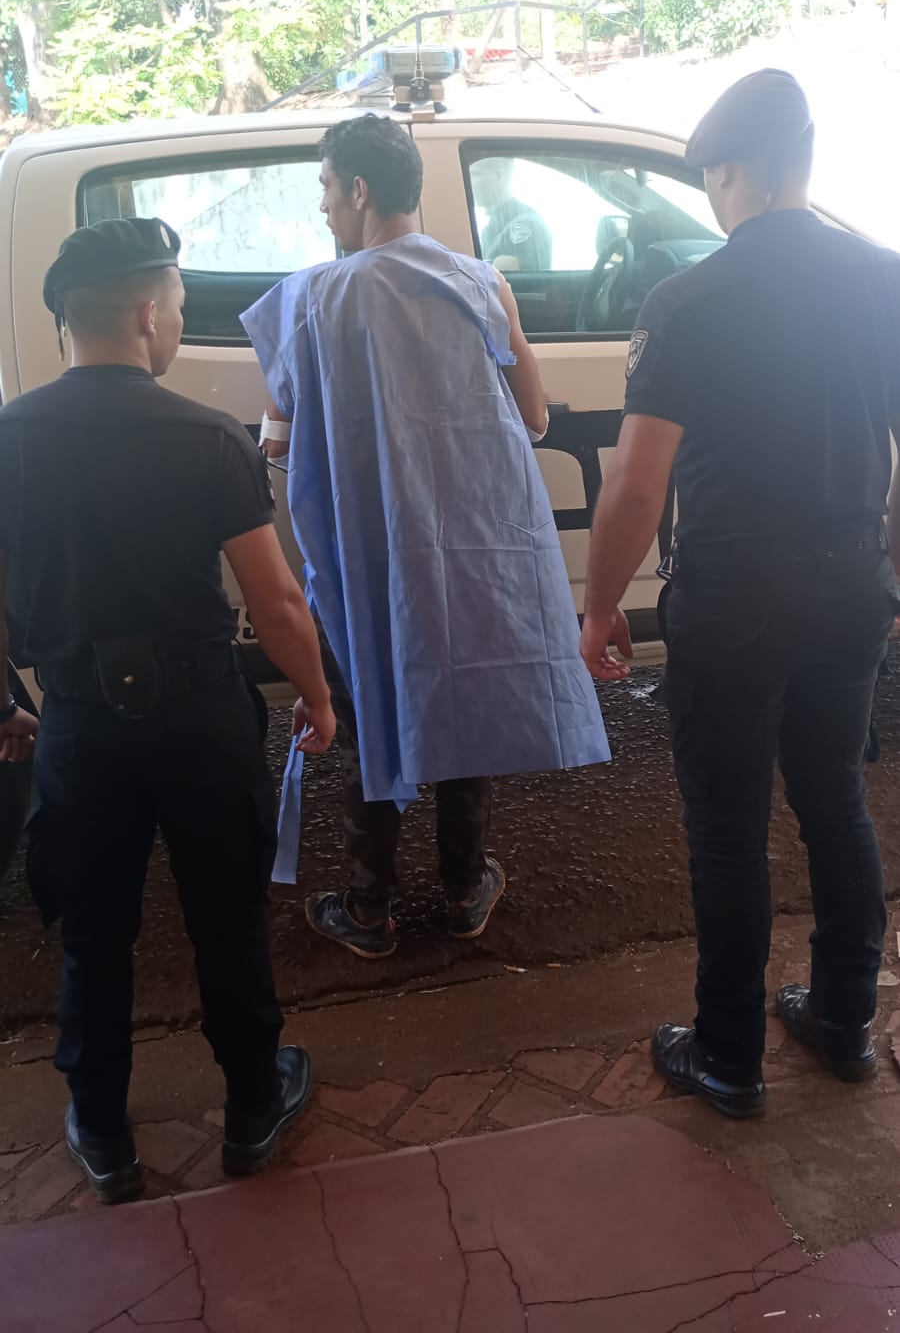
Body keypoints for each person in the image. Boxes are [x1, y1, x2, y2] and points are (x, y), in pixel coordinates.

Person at [580, 69, 900, 1119]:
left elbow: (636, 486)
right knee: (835, 798)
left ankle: (729, 1057)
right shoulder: (886, 278)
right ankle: (845, 1020)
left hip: (735, 600)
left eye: (711, 179)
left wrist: (600, 608)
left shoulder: (689, 300)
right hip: (851, 583)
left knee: (727, 829)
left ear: (733, 175)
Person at [0, 218, 336, 1203]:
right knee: (226, 914)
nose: (180, 323)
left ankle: (103, 1131)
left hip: (78, 720)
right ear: (148, 313)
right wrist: (318, 696)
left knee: (93, 928)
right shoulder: (206, 436)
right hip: (199, 718)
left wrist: (7, 704)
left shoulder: (9, 440)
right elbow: (276, 600)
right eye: (182, 307)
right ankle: (251, 1107)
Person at [243, 114, 611, 959]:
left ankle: (368, 906)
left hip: (367, 558)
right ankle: (463, 889)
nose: (323, 207)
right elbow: (533, 415)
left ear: (359, 189)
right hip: (471, 552)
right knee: (463, 700)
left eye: (326, 188)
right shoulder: (482, 284)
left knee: (371, 707)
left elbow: (278, 444)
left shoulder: (312, 298)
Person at [471, 156, 553, 274]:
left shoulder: (525, 223)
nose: (469, 181)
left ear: (499, 175)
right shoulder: (492, 227)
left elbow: (498, 276)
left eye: (475, 174)